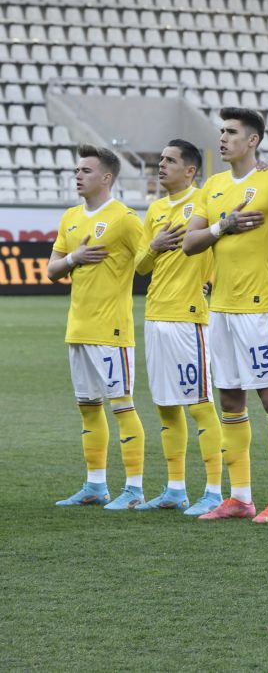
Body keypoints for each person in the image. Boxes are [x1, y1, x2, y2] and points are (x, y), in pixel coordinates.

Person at [182, 107, 268, 523]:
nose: (224, 137)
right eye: (222, 131)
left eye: (232, 132)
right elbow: (189, 243)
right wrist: (223, 226)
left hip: (257, 309)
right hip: (221, 310)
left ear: (253, 141)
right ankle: (241, 497)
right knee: (230, 399)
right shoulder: (213, 187)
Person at [48, 145, 147, 509]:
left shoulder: (124, 218)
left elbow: (149, 259)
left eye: (86, 171)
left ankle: (134, 490)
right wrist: (74, 257)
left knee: (122, 407)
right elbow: (52, 270)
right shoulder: (71, 218)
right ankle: (95, 485)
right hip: (78, 327)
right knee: (88, 408)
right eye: (77, 170)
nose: (78, 176)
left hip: (112, 330)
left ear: (106, 178)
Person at [133, 140, 224, 516]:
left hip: (189, 318)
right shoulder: (154, 209)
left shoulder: (205, 201)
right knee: (165, 405)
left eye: (170, 160)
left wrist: (212, 279)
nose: (161, 165)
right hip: (156, 316)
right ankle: (174, 488)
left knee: (200, 404)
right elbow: (139, 266)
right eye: (160, 159)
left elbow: (226, 245)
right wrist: (154, 246)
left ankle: (215, 491)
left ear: (190, 170)